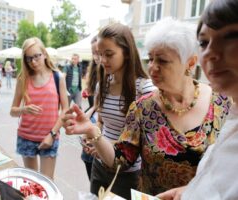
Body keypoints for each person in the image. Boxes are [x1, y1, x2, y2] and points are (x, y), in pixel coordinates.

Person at [62, 18, 232, 196]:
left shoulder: (221, 102)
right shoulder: (143, 107)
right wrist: (92, 130)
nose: (152, 68)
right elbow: (121, 161)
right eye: (150, 59)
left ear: (190, 63)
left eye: (162, 61)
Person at [157, 0, 238, 199]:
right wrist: (191, 192)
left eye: (231, 36)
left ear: (189, 62)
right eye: (203, 42)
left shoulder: (219, 103)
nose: (210, 52)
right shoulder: (233, 114)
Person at [83, 23, 156, 199]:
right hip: (99, 166)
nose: (102, 61)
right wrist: (93, 140)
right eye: (100, 55)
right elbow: (101, 121)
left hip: (128, 173)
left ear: (127, 52)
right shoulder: (103, 84)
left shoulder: (144, 89)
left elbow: (149, 141)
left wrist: (102, 142)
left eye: (109, 54)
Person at [10, 37, 69, 180]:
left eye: (36, 56)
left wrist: (52, 134)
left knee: (47, 182)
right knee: (31, 182)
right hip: (26, 137)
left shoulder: (58, 77)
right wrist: (24, 109)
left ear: (44, 53)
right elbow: (12, 110)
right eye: (29, 58)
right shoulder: (23, 79)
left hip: (50, 136)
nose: (33, 62)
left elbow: (65, 110)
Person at [80, 35, 100, 181]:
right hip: (94, 124)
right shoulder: (94, 73)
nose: (97, 57)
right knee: (88, 159)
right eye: (94, 53)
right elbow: (95, 105)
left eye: (100, 52)